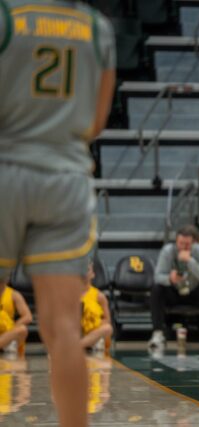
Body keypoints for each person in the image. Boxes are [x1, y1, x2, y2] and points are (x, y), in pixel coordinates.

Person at [0, 0, 115, 424]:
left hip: (6, 168)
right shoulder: (97, 28)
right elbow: (97, 121)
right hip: (65, 177)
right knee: (62, 328)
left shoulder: (8, 17)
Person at [148, 225, 199, 356]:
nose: (183, 247)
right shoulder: (168, 251)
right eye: (180, 243)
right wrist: (169, 279)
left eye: (187, 244)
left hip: (194, 292)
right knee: (157, 289)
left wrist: (191, 261)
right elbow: (157, 276)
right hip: (175, 292)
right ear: (176, 241)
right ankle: (158, 333)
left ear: (194, 243)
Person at [80, 262, 113, 355]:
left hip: (93, 332)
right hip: (76, 332)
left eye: (86, 270)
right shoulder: (70, 294)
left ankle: (78, 346)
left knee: (108, 328)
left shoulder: (99, 296)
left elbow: (107, 319)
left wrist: (94, 325)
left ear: (93, 274)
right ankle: (87, 344)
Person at [0, 279, 32, 358]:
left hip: (7, 334)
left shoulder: (14, 294)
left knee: (22, 330)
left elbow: (27, 317)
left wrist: (12, 328)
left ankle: (5, 345)